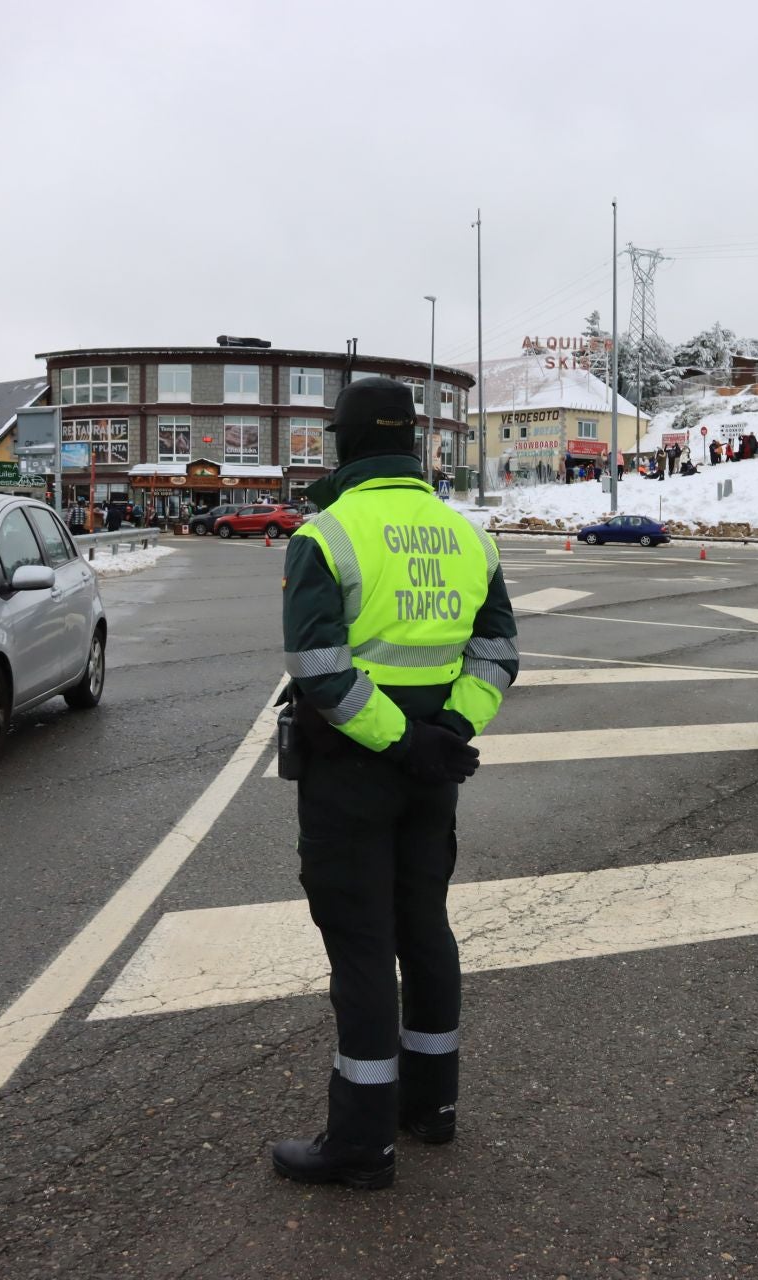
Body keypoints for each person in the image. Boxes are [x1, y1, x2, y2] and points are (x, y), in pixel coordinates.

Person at [272, 376, 518, 1191]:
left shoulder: (327, 534)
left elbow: (319, 670)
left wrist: (402, 741)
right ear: (415, 443)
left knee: (363, 946)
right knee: (425, 928)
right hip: (434, 773)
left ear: (342, 443)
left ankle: (362, 1141)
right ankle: (431, 1108)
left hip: (354, 769)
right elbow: (497, 655)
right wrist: (450, 733)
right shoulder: (468, 535)